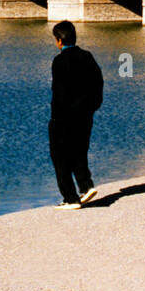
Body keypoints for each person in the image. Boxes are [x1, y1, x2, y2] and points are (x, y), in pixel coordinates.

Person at [47, 20, 103, 209]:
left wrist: (56, 119)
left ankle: (70, 198)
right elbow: (98, 83)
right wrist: (92, 107)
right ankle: (86, 187)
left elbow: (59, 92)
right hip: (85, 116)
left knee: (60, 157)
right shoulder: (87, 56)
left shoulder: (59, 61)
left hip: (63, 118)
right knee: (79, 151)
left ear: (59, 41)